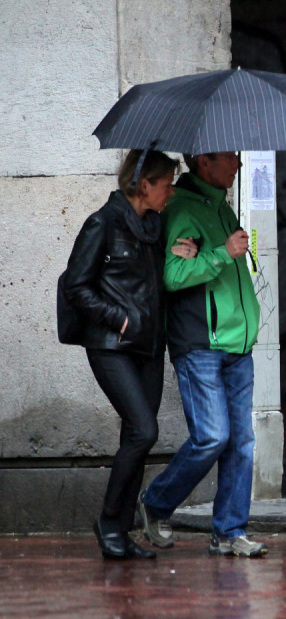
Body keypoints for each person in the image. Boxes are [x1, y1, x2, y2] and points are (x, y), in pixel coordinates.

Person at [63, 149, 198, 559]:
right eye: (166, 185)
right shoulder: (101, 224)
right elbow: (76, 287)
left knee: (134, 437)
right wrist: (118, 318)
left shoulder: (153, 227)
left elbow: (150, 279)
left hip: (149, 348)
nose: (171, 193)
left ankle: (120, 533)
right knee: (144, 431)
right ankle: (108, 521)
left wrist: (178, 255)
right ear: (144, 185)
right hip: (111, 347)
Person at [137, 151, 267, 557]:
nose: (239, 165)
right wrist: (221, 253)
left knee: (241, 443)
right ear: (205, 161)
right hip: (201, 344)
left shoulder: (221, 207)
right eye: (231, 158)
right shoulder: (182, 208)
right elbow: (173, 276)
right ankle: (155, 503)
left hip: (237, 344)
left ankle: (230, 532)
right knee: (213, 436)